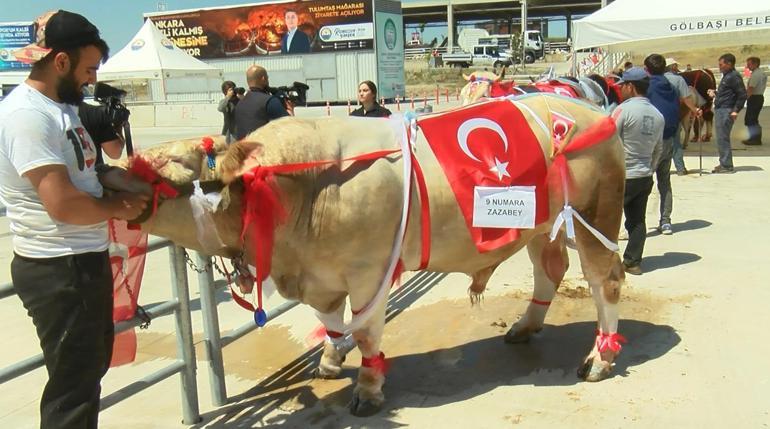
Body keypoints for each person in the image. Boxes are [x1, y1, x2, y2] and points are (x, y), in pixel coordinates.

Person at [0, 10, 149, 428]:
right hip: (58, 270)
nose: (90, 79)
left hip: (82, 261)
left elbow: (86, 172)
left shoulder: (63, 109)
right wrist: (120, 209)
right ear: (60, 62)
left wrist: (130, 181)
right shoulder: (27, 116)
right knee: (73, 391)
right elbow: (63, 202)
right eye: (87, 69)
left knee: (88, 374)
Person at [612, 67, 664, 275]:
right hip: (644, 175)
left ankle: (605, 264)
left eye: (622, 86)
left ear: (630, 87)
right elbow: (658, 150)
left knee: (606, 222)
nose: (620, 90)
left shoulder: (623, 110)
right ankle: (633, 262)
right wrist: (648, 169)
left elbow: (608, 139)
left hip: (622, 175)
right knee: (637, 221)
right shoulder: (657, 114)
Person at [644, 54, 680, 236]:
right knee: (664, 181)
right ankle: (666, 221)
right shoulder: (672, 88)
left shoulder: (648, 87)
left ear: (646, 69)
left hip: (652, 141)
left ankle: (636, 223)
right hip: (669, 138)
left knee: (643, 183)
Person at [664, 57, 701, 176]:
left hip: (657, 115)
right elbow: (687, 98)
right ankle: (680, 168)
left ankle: (659, 168)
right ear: (673, 67)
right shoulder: (679, 80)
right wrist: (694, 109)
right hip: (673, 115)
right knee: (676, 142)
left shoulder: (656, 79)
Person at [712, 53, 747, 173]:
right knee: (721, 138)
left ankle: (726, 166)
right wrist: (715, 94)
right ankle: (724, 163)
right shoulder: (727, 76)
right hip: (721, 109)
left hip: (726, 110)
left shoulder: (734, 76)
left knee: (723, 138)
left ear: (729, 64)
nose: (719, 67)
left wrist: (735, 110)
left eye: (721, 64)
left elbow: (742, 95)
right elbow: (727, 94)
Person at [234, 65, 289, 140]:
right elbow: (289, 126)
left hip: (243, 148)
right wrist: (290, 109)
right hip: (263, 148)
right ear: (263, 79)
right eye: (267, 78)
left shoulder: (239, 104)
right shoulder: (269, 101)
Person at [743, 57, 766, 145]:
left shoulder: (756, 74)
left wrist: (745, 98)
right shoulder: (761, 73)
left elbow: (751, 88)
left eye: (749, 64)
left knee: (751, 119)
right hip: (758, 97)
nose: (748, 66)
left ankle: (755, 139)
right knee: (753, 119)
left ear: (755, 64)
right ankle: (753, 138)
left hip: (754, 98)